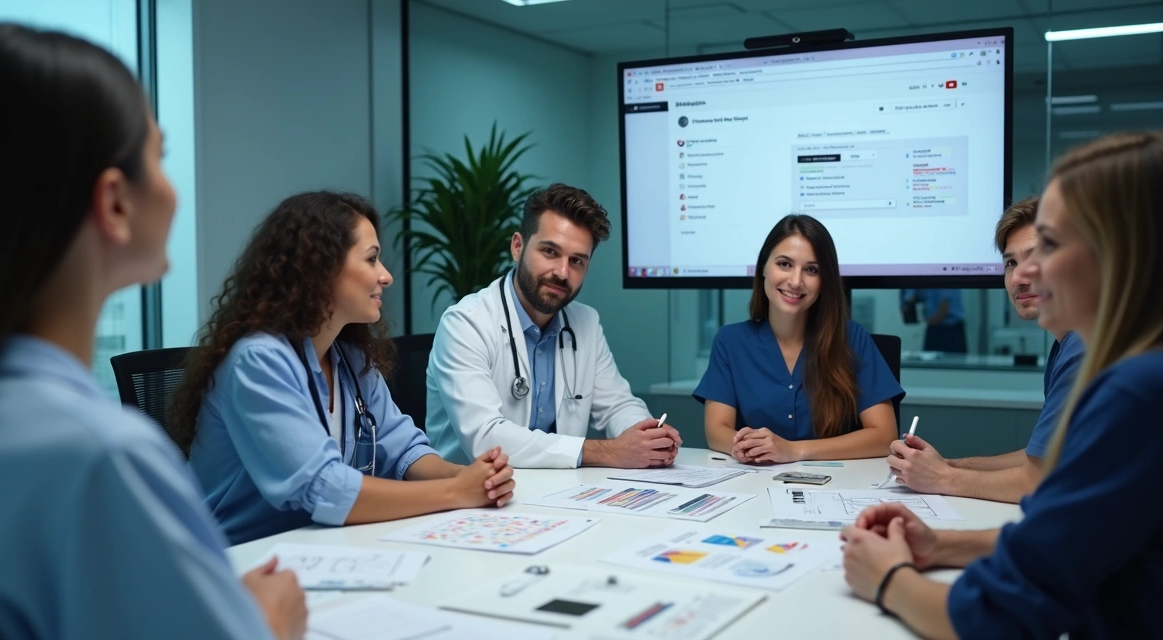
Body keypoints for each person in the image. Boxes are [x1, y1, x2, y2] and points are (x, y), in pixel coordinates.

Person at [0, 24, 305, 640]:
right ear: (114, 203)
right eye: (159, 157)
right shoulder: (102, 457)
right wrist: (264, 624)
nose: (171, 188)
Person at [841, 132, 1163, 639]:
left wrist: (888, 579)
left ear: (1121, 250)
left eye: (1051, 245)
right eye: (1012, 261)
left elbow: (999, 615)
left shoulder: (1135, 389)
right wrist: (940, 545)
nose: (1024, 274)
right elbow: (1067, 536)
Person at [173, 192, 515, 545]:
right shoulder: (257, 361)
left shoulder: (350, 360)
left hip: (315, 548)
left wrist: (474, 477)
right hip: (233, 562)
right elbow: (325, 488)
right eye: (372, 260)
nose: (386, 276)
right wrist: (457, 492)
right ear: (321, 270)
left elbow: (403, 449)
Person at [426, 183, 681, 469]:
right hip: (473, 499)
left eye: (577, 261)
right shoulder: (466, 323)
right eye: (550, 251)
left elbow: (618, 406)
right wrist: (609, 452)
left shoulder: (585, 322)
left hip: (558, 496)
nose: (562, 272)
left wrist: (647, 436)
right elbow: (486, 438)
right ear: (517, 246)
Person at [886, 196, 1085, 503]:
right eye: (1011, 263)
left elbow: (1036, 480)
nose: (1018, 277)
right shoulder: (1067, 345)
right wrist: (950, 465)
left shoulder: (1086, 348)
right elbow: (1041, 456)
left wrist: (942, 477)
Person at [696, 214, 903, 463]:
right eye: (784, 264)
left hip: (838, 486)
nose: (795, 281)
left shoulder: (852, 338)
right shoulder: (730, 341)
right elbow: (716, 430)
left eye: (811, 270)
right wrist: (749, 448)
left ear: (824, 280)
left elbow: (884, 436)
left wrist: (794, 450)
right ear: (763, 267)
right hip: (755, 483)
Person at [904, 289, 968, 353]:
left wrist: (928, 322)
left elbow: (944, 307)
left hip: (950, 330)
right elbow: (912, 298)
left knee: (953, 360)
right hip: (934, 328)